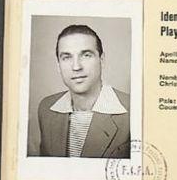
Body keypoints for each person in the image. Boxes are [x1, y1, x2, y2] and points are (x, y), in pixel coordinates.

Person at [37, 24, 131, 159]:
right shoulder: (46, 109)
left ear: (102, 60)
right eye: (66, 57)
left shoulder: (132, 111)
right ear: (58, 65)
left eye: (86, 55)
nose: (76, 67)